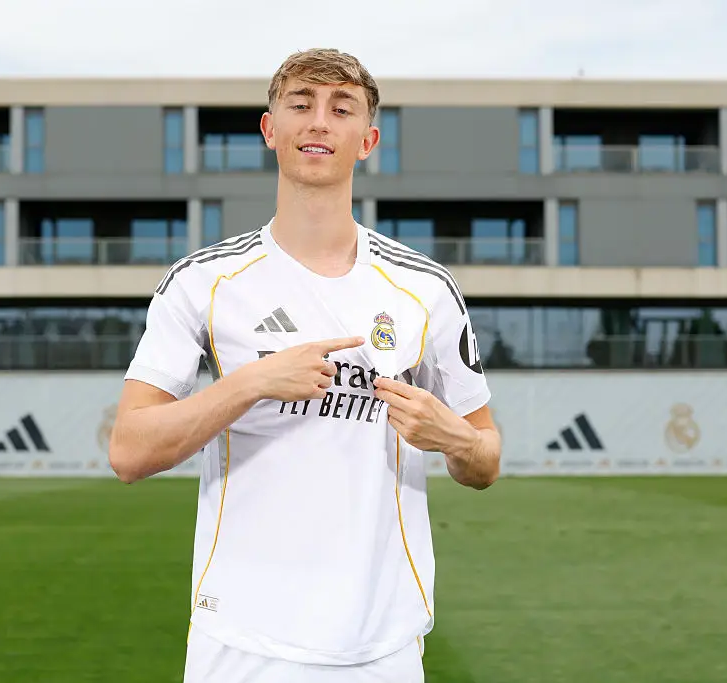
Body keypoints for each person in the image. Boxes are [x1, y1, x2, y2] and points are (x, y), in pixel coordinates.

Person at [109, 47, 501, 683]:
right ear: (271, 130)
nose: (320, 121)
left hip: (383, 643)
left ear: (366, 140)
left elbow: (484, 459)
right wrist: (251, 383)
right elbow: (128, 451)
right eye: (301, 104)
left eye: (341, 108)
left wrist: (452, 437)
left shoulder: (425, 289)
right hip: (241, 639)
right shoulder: (203, 282)